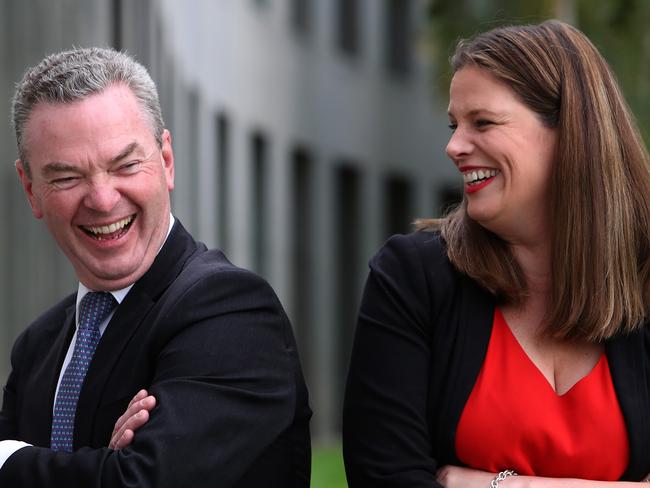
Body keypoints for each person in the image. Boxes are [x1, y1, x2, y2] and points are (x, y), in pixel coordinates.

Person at [343, 20, 650, 487]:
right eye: (454, 125)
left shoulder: (645, 273)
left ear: (570, 133)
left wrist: (498, 484)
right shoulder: (413, 277)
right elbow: (383, 476)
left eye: (483, 122)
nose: (454, 146)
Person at [0, 47, 311, 487]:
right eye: (67, 177)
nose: (103, 199)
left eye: (125, 165)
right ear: (30, 189)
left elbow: (144, 482)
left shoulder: (232, 313)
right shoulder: (38, 348)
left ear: (166, 161)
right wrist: (102, 468)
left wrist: (9, 459)